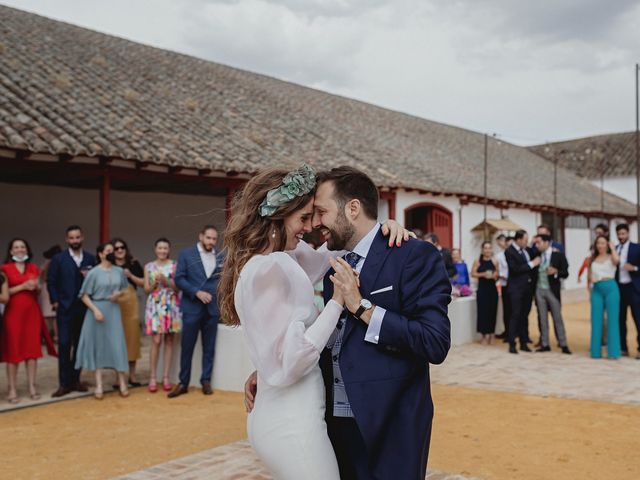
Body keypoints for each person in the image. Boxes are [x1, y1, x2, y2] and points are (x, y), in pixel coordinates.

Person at [238, 165, 451, 480]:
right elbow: (329, 336)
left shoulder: (414, 256)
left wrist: (362, 306)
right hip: (332, 426)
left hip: (391, 425)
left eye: (321, 212)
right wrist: (271, 368)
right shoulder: (331, 264)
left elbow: (434, 342)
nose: (315, 224)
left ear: (353, 208)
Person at [168, 225, 224, 398]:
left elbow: (222, 279)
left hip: (212, 309)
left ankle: (205, 381)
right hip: (192, 307)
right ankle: (183, 382)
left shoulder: (221, 256)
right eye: (208, 238)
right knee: (187, 347)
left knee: (209, 348)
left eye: (214, 239)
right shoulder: (186, 254)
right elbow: (179, 279)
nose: (211, 242)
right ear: (201, 236)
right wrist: (196, 292)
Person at [1, 239, 55, 403]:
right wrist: (23, 286)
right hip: (13, 313)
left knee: (32, 352)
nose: (19, 250)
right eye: (16, 247)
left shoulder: (34, 268)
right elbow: (4, 294)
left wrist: (36, 288)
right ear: (10, 251)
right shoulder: (4, 269)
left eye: (22, 247)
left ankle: (32, 385)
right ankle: (12, 388)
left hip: (31, 312)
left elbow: (37, 290)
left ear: (27, 250)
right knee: (13, 352)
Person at [75, 242, 130, 399]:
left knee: (117, 345)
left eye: (113, 250)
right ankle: (98, 384)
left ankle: (122, 382)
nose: (112, 253)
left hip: (114, 311)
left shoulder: (119, 271)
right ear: (100, 254)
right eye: (108, 251)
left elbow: (125, 290)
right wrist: (95, 310)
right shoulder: (93, 273)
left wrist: (118, 295)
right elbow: (83, 295)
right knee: (98, 347)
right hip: (97, 311)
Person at [47, 225, 96, 397]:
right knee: (65, 344)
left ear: (82, 238)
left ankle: (76, 380)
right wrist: (55, 301)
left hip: (84, 309)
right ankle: (64, 383)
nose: (75, 240)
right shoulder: (59, 259)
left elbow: (96, 281)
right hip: (65, 309)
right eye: (71, 238)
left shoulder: (90, 258)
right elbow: (51, 281)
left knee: (79, 346)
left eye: (77, 237)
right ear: (67, 240)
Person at [144, 238, 181, 392]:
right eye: (160, 248)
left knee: (170, 340)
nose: (162, 251)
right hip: (155, 304)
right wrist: (154, 283)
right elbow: (146, 289)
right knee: (156, 341)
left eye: (165, 248)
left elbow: (178, 287)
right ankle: (152, 377)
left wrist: (166, 280)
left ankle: (165, 377)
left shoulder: (174, 265)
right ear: (155, 249)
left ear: (169, 250)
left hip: (171, 304)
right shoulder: (149, 266)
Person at [111, 238, 144, 386]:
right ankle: (119, 377)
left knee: (132, 338)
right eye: (116, 248)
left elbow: (144, 283)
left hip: (131, 303)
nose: (119, 250)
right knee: (117, 340)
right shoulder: (109, 265)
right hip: (114, 303)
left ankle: (132, 375)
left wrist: (130, 275)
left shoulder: (133, 263)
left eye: (122, 247)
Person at [533, 235, 571, 354]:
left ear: (547, 243)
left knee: (557, 318)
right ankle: (545, 344)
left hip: (552, 290)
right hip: (539, 289)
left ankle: (563, 344)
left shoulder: (558, 255)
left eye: (539, 242)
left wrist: (556, 272)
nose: (536, 245)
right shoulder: (537, 256)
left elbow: (565, 273)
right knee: (542, 318)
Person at [505, 230, 541, 354]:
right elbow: (515, 269)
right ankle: (512, 344)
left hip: (527, 289)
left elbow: (536, 253)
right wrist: (532, 264)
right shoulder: (509, 251)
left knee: (524, 316)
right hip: (515, 289)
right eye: (525, 240)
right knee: (515, 315)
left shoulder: (526, 250)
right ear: (519, 239)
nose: (527, 242)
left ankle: (524, 342)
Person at [588, 236, 621, 359]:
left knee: (612, 321)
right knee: (596, 320)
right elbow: (590, 276)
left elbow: (617, 261)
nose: (600, 245)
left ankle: (613, 352)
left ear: (607, 244)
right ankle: (595, 352)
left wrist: (613, 249)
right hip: (596, 289)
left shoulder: (611, 256)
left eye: (603, 243)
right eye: (598, 243)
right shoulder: (593, 258)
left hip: (611, 288)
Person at [614, 224, 640, 358]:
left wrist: (634, 268)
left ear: (628, 233)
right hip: (619, 289)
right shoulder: (615, 249)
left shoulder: (637, 248)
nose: (621, 237)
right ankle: (623, 348)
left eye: (623, 234)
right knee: (620, 319)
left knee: (638, 319)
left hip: (633, 288)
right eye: (619, 234)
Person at [471, 241, 499, 344]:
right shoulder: (477, 261)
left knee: (492, 312)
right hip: (482, 290)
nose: (487, 250)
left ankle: (492, 334)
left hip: (492, 289)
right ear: (482, 250)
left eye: (489, 248)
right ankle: (483, 335)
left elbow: (497, 274)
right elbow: (473, 273)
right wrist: (483, 274)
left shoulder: (495, 261)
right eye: (485, 248)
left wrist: (494, 275)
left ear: (491, 249)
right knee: (482, 313)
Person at [40, 245, 62, 343]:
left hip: (46, 286)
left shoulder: (47, 262)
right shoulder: (56, 262)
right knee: (54, 314)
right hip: (54, 287)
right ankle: (56, 336)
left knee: (48, 314)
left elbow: (40, 274)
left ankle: (47, 335)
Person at [495, 235, 512, 341]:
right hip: (505, 284)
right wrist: (501, 275)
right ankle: (507, 332)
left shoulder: (515, 254)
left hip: (514, 284)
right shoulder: (499, 255)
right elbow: (498, 269)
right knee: (506, 310)